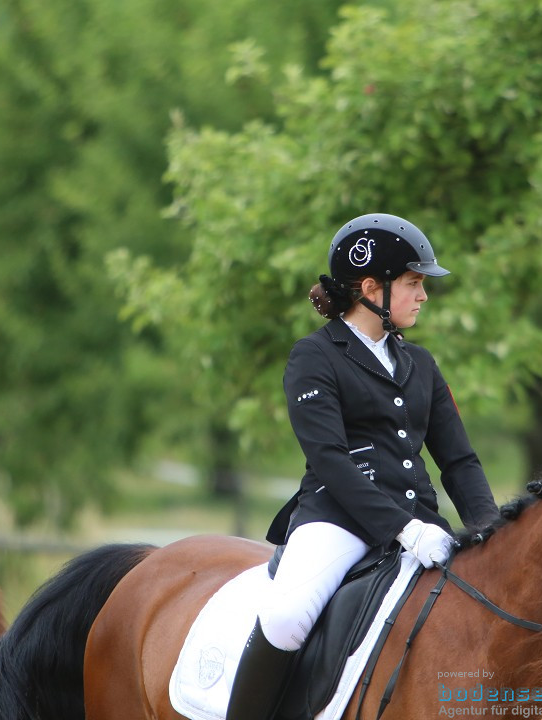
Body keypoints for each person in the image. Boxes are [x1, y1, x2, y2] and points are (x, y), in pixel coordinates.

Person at [225, 213, 501, 720]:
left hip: (422, 523)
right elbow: (329, 460)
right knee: (286, 617)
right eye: (414, 283)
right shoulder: (314, 357)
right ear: (372, 286)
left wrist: (491, 532)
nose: (423, 296)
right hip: (338, 521)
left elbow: (458, 461)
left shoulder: (422, 364)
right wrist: (403, 529)